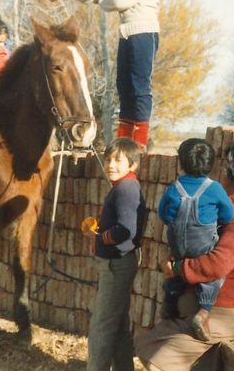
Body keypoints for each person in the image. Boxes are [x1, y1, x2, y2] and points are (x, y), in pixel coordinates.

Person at [135, 140, 234, 371]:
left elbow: (217, 264)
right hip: (207, 311)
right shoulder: (231, 207)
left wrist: (179, 268)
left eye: (228, 169)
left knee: (158, 359)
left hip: (225, 313)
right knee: (149, 345)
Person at [49, 0, 159, 149]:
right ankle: (125, 141)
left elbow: (119, 1)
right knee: (124, 87)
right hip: (128, 35)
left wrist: (102, 0)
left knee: (139, 87)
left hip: (143, 35)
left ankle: (139, 142)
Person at [157, 138, 234, 341]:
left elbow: (163, 214)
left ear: (181, 163)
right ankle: (204, 312)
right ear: (211, 164)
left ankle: (171, 299)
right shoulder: (215, 188)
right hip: (202, 244)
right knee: (212, 277)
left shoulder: (174, 188)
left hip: (177, 244)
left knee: (175, 266)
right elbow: (228, 215)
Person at [80, 138, 146, 371]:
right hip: (119, 262)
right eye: (108, 159)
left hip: (116, 264)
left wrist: (100, 236)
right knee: (117, 323)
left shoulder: (126, 189)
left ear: (133, 165)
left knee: (102, 324)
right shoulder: (125, 186)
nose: (110, 165)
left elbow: (125, 230)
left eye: (118, 160)